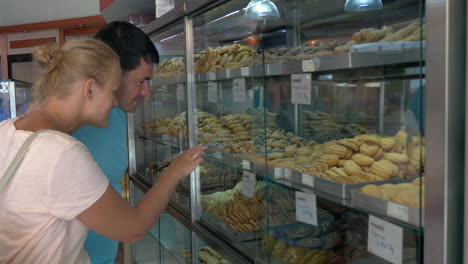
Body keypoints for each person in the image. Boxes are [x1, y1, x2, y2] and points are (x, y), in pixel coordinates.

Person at [0, 39, 206, 264]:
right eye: (113, 90)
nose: (115, 101)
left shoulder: (6, 129)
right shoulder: (61, 153)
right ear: (89, 89)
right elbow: (133, 228)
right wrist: (174, 171)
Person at [71, 21, 159, 264]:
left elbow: (110, 189)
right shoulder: (68, 133)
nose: (147, 92)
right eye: (141, 81)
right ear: (112, 73)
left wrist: (117, 252)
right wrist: (176, 170)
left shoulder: (117, 114)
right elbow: (134, 227)